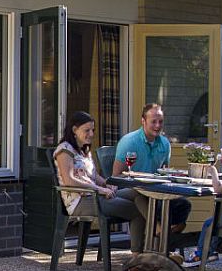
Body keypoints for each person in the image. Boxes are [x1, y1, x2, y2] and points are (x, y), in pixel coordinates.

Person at [111, 102, 191, 253]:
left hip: (154, 190)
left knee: (183, 203)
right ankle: (159, 232)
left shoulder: (165, 144)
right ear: (143, 121)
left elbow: (165, 172)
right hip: (126, 190)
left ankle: (161, 246)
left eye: (160, 121)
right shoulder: (129, 142)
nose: (157, 125)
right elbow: (116, 177)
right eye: (153, 121)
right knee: (141, 194)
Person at [54, 110, 133, 226]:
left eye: (92, 130)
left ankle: (154, 232)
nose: (91, 134)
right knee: (134, 209)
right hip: (80, 201)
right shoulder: (64, 149)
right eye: (87, 130)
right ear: (74, 130)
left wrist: (107, 183)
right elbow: (68, 180)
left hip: (95, 195)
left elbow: (94, 175)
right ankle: (148, 238)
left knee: (137, 194)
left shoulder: (84, 150)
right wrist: (100, 189)